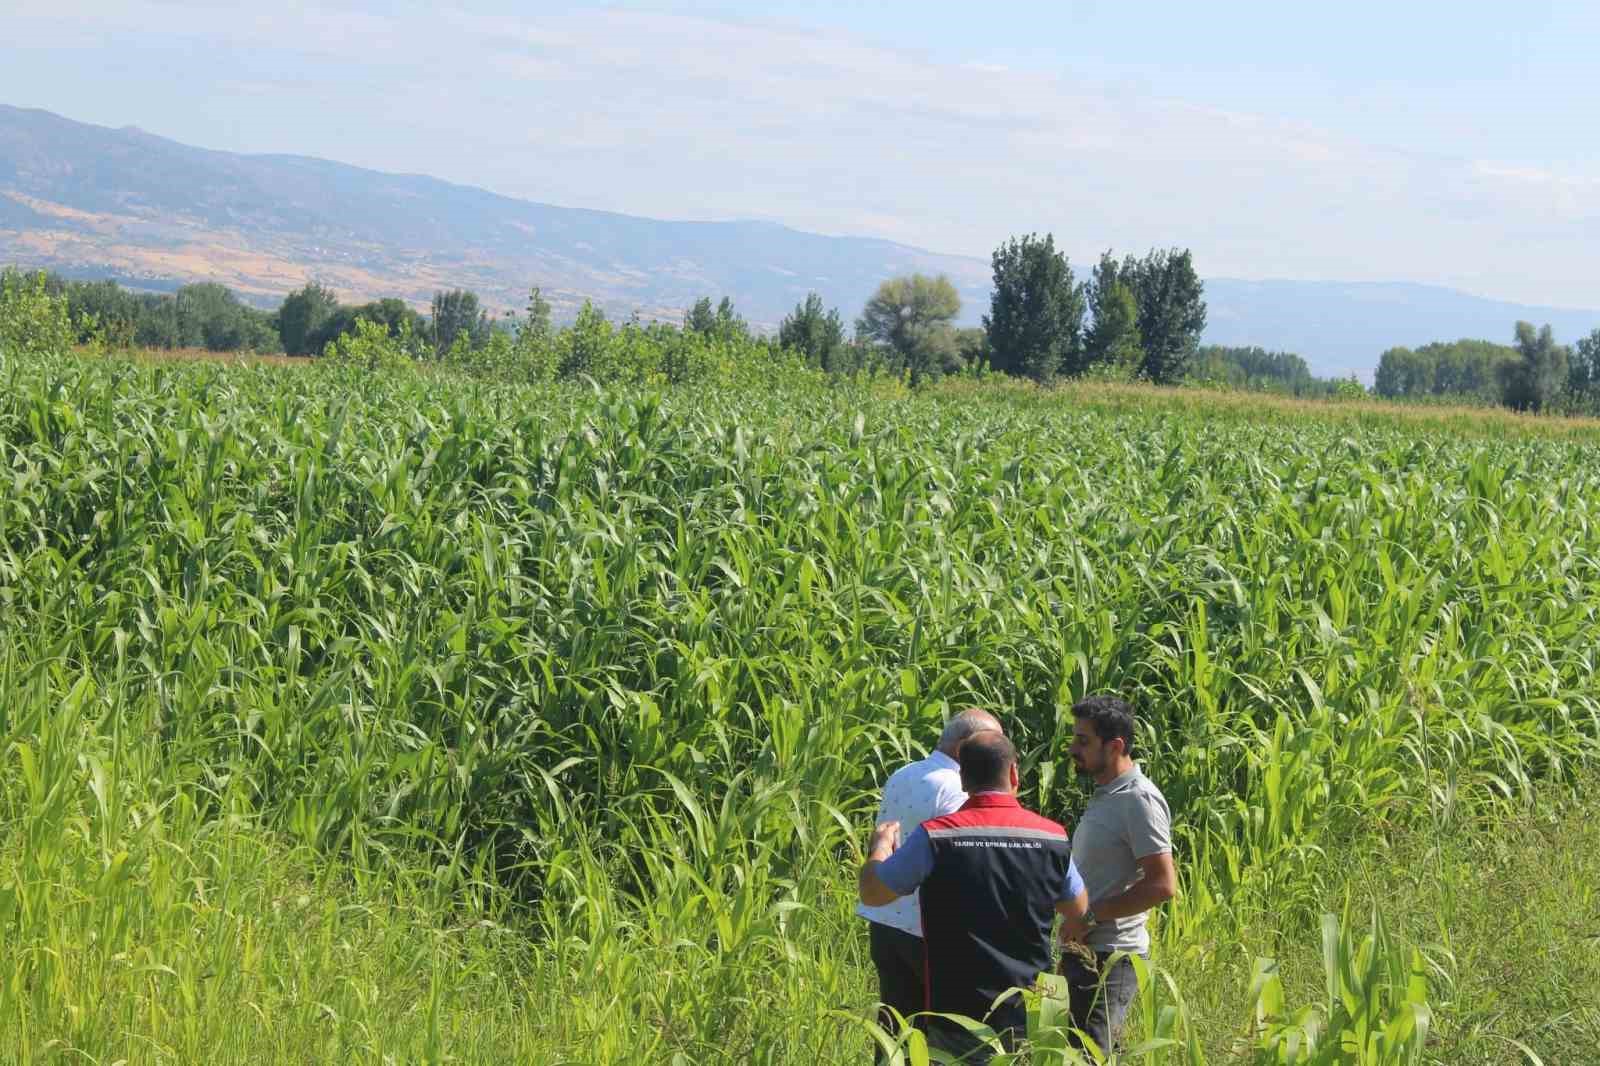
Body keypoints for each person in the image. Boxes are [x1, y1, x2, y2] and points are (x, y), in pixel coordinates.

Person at [859, 731, 1090, 1061]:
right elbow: (1077, 908)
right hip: (1030, 1008)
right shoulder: (1051, 836)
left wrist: (879, 848)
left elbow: (873, 894)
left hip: (955, 1013)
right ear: (1013, 773)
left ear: (963, 778)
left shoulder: (936, 837)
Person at [856, 707, 1002, 1060]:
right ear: (966, 746)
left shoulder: (905, 772)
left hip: (887, 920)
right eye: (991, 742)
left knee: (894, 1025)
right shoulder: (955, 787)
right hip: (928, 929)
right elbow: (962, 858)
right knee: (941, 1034)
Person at [1060, 694, 1175, 1057]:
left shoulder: (1138, 800)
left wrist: (1090, 916)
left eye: (1083, 740)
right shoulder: (1108, 794)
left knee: (1090, 1054)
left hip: (1113, 958)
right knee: (1095, 1052)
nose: (1072, 749)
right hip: (1086, 949)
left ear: (1115, 746)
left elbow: (1162, 884)